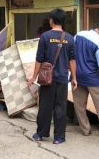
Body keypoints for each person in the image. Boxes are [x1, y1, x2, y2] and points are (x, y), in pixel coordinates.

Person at [28, 9, 77, 145]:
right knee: (60, 107)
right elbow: (72, 60)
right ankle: (59, 137)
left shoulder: (45, 36)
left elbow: (39, 59)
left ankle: (41, 134)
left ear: (51, 20)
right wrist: (74, 78)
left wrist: (34, 77)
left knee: (45, 106)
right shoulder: (70, 38)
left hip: (47, 79)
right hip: (62, 78)